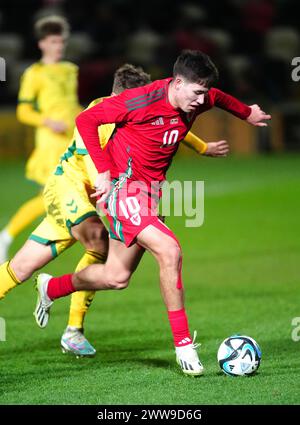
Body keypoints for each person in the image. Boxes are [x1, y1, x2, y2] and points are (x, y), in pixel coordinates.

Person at [34, 50, 271, 376]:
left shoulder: (199, 97)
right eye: (196, 92)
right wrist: (102, 170)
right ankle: (184, 346)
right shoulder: (140, 100)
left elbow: (218, 97)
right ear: (176, 83)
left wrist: (246, 114)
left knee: (116, 277)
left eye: (203, 93)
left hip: (149, 196)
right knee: (170, 250)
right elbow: (86, 120)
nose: (200, 100)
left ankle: (52, 287)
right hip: (122, 191)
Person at [0, 63, 226, 358]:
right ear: (122, 99)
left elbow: (164, 123)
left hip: (84, 197)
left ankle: (63, 314)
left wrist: (202, 147)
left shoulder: (143, 111)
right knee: (98, 240)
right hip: (67, 187)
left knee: (21, 267)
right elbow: (92, 159)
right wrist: (109, 191)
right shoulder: (104, 112)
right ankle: (73, 329)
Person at [0, 15, 81, 263]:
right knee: (52, 197)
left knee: (54, 197)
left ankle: (11, 239)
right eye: (54, 41)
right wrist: (48, 121)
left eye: (62, 41)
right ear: (42, 44)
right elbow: (23, 111)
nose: (59, 46)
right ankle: (7, 237)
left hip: (72, 141)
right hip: (50, 144)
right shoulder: (34, 74)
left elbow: (70, 103)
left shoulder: (70, 70)